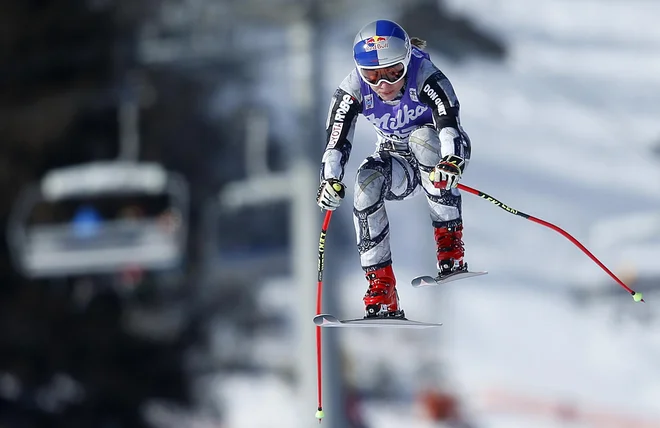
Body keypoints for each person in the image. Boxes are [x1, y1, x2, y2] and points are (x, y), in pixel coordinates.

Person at [316, 19, 471, 318]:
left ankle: (450, 246)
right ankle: (382, 288)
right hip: (400, 165)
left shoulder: (426, 76)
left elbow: (449, 124)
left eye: (393, 72)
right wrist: (330, 181)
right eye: (372, 75)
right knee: (365, 183)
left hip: (440, 156)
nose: (383, 84)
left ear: (407, 61)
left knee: (423, 137)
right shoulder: (353, 89)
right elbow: (336, 141)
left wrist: (451, 160)